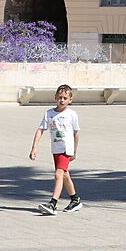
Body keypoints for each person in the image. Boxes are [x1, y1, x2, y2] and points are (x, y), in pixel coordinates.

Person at [32, 85, 83, 215]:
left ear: (70, 100)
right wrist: (34, 148)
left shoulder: (71, 114)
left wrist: (75, 151)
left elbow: (77, 133)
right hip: (56, 148)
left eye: (65, 98)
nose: (62, 100)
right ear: (55, 97)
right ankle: (75, 199)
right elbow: (40, 130)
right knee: (65, 174)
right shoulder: (49, 113)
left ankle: (53, 203)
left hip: (67, 149)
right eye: (60, 97)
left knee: (58, 174)